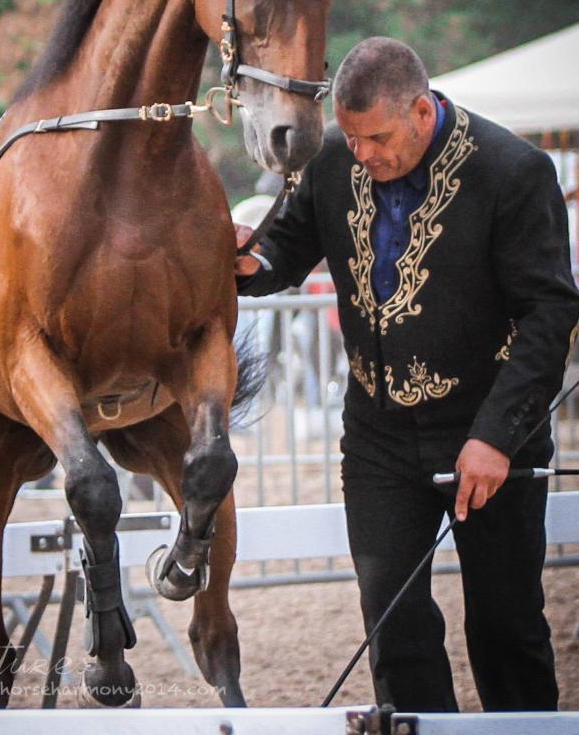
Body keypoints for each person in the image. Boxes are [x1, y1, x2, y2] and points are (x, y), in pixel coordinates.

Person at [235, 36, 579, 712]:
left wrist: (498, 437)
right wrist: (250, 261)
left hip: (486, 433)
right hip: (376, 437)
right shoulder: (335, 156)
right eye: (353, 137)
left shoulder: (514, 171)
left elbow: (549, 312)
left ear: (422, 111)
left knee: (506, 625)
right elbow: (286, 249)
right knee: (393, 622)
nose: (363, 154)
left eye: (378, 138)